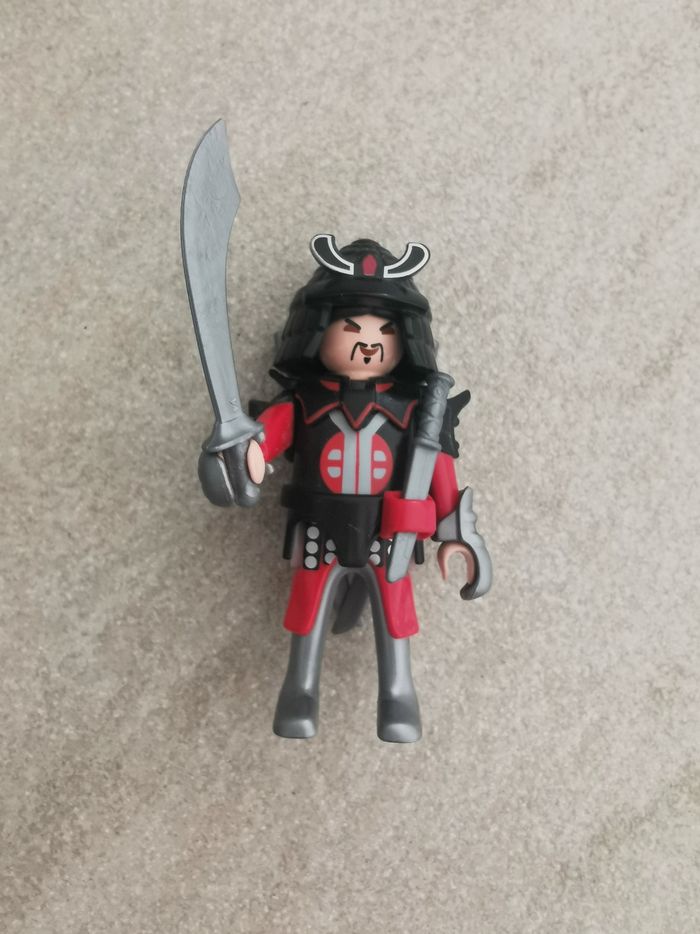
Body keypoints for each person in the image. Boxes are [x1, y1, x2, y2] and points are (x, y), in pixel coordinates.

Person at [206, 235, 492, 742]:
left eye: (385, 331)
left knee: (396, 616)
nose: (369, 343)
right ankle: (299, 689)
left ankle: (399, 694)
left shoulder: (417, 412)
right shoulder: (304, 403)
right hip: (319, 531)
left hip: (390, 537)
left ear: (406, 340)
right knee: (308, 611)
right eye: (352, 329)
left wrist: (456, 533)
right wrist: (242, 454)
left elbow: (439, 472)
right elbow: (264, 441)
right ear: (318, 332)